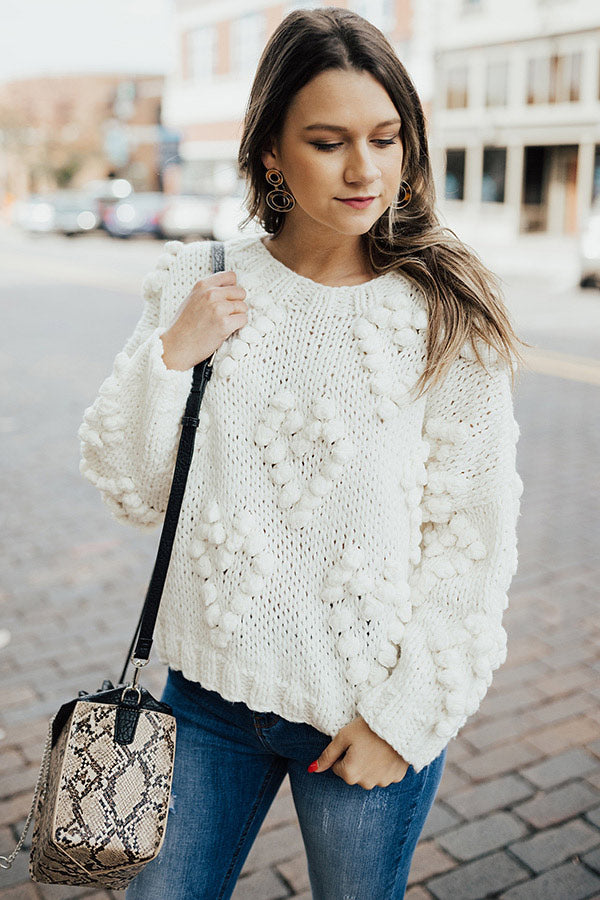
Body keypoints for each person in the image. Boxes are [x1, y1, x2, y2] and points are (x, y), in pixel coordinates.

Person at [78, 8, 526, 899]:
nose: (366, 170)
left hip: (359, 712)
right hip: (204, 698)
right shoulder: (197, 280)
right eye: (328, 141)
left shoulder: (444, 315)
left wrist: (404, 720)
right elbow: (132, 487)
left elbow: (472, 539)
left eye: (385, 137)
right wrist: (174, 351)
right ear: (272, 151)